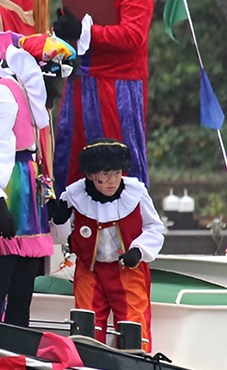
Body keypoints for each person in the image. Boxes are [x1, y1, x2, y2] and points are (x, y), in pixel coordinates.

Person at [53, 0, 170, 187]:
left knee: (114, 169)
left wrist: (83, 31)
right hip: (80, 82)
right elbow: (79, 30)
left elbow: (133, 37)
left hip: (117, 89)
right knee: (74, 165)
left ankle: (121, 230)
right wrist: (64, 32)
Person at [0, 32, 71, 327]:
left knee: (24, 286)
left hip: (28, 182)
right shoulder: (3, 93)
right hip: (4, 186)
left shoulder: (31, 99)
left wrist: (49, 202)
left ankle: (17, 350)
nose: (58, 82)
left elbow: (36, 154)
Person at [49, 139, 163, 349]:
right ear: (92, 175)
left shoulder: (136, 193)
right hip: (89, 272)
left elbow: (154, 227)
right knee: (87, 326)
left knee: (133, 323)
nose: (112, 181)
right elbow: (58, 237)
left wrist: (139, 250)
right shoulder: (74, 196)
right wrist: (59, 219)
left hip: (127, 270)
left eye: (117, 173)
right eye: (105, 175)